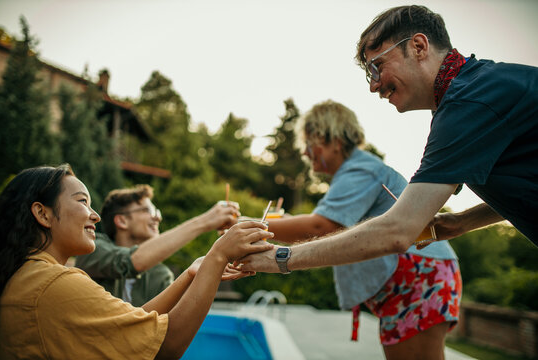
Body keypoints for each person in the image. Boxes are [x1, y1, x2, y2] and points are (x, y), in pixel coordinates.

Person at [239, 5, 537, 358]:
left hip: (417, 280)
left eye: (376, 66)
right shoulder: (472, 96)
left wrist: (278, 258)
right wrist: (461, 222)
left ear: (419, 46)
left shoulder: (468, 102)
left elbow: (395, 231)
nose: (373, 85)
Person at [0, 164, 273, 359]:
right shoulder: (55, 284)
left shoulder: (29, 275)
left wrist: (192, 274)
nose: (94, 216)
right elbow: (163, 347)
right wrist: (218, 255)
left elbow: (136, 324)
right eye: (82, 202)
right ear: (42, 214)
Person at [262, 100, 461, 358]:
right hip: (420, 276)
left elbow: (322, 226)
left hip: (420, 276)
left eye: (310, 142)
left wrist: (252, 226)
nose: (305, 152)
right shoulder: (356, 171)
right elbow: (325, 223)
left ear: (333, 139)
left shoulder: (360, 169)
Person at [75, 184, 238, 306]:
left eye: (157, 212)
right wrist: (206, 221)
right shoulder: (92, 248)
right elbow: (128, 262)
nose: (157, 218)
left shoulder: (160, 275)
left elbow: (161, 325)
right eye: (148, 211)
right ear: (122, 221)